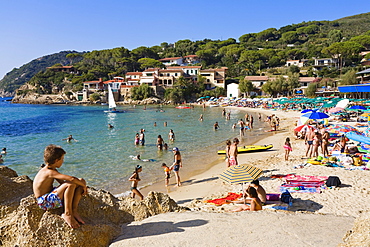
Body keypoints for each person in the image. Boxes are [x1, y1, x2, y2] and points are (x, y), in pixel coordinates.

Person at [33, 144, 87, 228]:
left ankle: (74, 211)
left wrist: (81, 183)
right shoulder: (48, 172)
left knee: (79, 181)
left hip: (51, 197)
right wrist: (84, 186)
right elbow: (71, 179)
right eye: (62, 159)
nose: (63, 161)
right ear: (56, 160)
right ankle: (67, 214)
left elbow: (63, 182)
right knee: (71, 184)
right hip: (44, 202)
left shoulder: (52, 170)